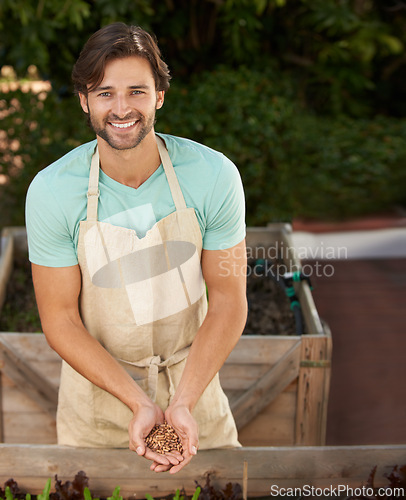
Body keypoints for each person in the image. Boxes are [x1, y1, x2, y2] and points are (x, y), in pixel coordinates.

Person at [25, 22, 247, 474]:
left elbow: (228, 300)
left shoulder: (213, 176)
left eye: (136, 91)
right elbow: (60, 319)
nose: (121, 108)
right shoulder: (51, 192)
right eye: (104, 93)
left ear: (159, 95)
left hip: (195, 394)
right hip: (96, 403)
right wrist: (138, 402)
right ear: (84, 100)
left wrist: (182, 403)